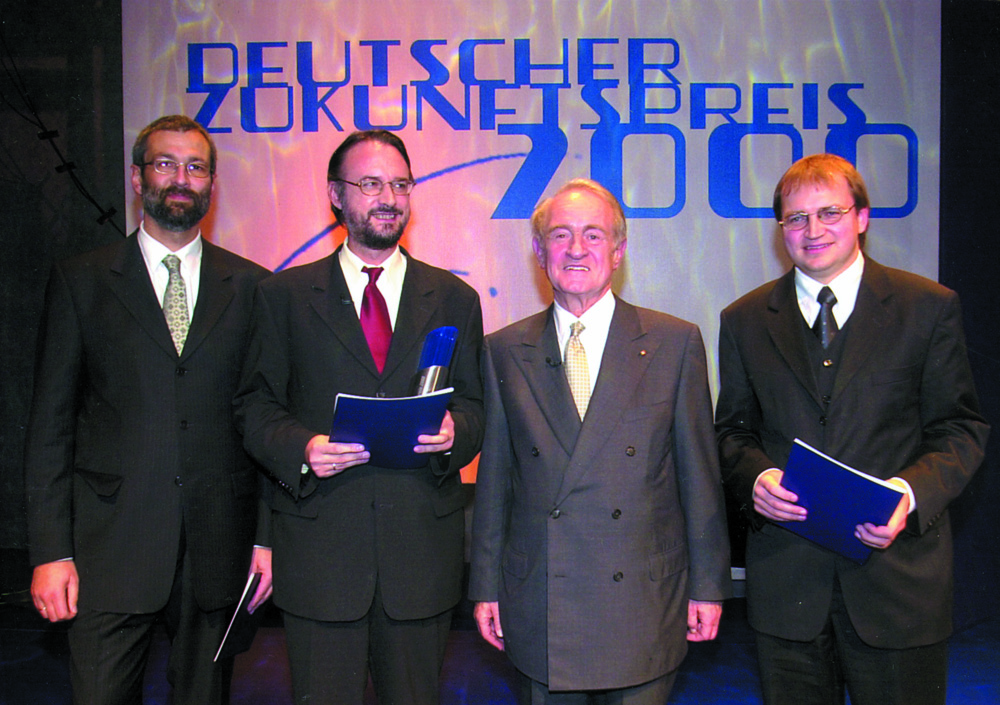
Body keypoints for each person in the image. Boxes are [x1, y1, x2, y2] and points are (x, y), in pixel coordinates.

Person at [715, 153, 989, 705]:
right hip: (787, 593)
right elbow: (729, 434)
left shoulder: (927, 308)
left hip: (898, 589)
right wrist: (757, 478)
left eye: (829, 212)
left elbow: (961, 429)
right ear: (781, 230)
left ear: (862, 217)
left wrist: (906, 497)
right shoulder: (743, 320)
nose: (812, 231)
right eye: (796, 218)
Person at [25, 114, 272, 705]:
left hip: (218, 552)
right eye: (165, 163)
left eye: (196, 166)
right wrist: (50, 552)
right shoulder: (82, 280)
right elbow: (50, 428)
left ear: (212, 184)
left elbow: (263, 421)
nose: (180, 178)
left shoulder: (255, 287)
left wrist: (265, 539)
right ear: (138, 178)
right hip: (110, 550)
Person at [234, 129, 485, 705]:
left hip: (420, 559)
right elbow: (254, 405)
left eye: (400, 184)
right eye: (370, 184)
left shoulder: (452, 298)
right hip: (322, 557)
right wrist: (302, 448)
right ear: (335, 195)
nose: (388, 198)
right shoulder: (284, 295)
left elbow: (476, 408)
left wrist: (454, 434)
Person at [469, 178, 732, 704]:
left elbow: (698, 478)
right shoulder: (503, 350)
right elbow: (495, 482)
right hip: (542, 602)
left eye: (593, 235)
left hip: (642, 601)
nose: (576, 249)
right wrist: (485, 586)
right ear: (540, 253)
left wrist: (709, 584)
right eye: (560, 236)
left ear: (619, 250)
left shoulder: (674, 343)